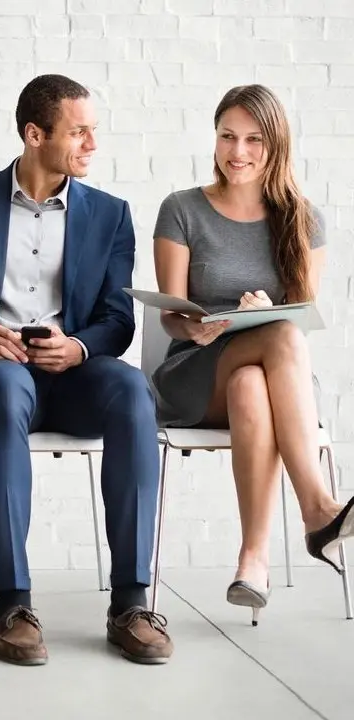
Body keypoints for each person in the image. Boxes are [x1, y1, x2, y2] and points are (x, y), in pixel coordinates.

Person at [0, 74, 173, 665]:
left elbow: (117, 318)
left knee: (133, 389)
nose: (91, 144)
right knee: (8, 388)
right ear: (35, 135)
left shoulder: (110, 214)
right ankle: (10, 602)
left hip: (72, 374)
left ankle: (132, 602)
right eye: (78, 131)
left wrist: (79, 347)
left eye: (93, 131)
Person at [151, 84, 354, 624]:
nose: (237, 152)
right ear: (214, 139)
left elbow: (301, 314)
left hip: (269, 380)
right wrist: (194, 325)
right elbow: (169, 313)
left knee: (259, 371)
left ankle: (253, 561)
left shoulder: (303, 220)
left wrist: (266, 308)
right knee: (279, 340)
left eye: (253, 140)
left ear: (276, 145)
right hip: (196, 372)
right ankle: (317, 508)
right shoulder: (182, 210)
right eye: (227, 137)